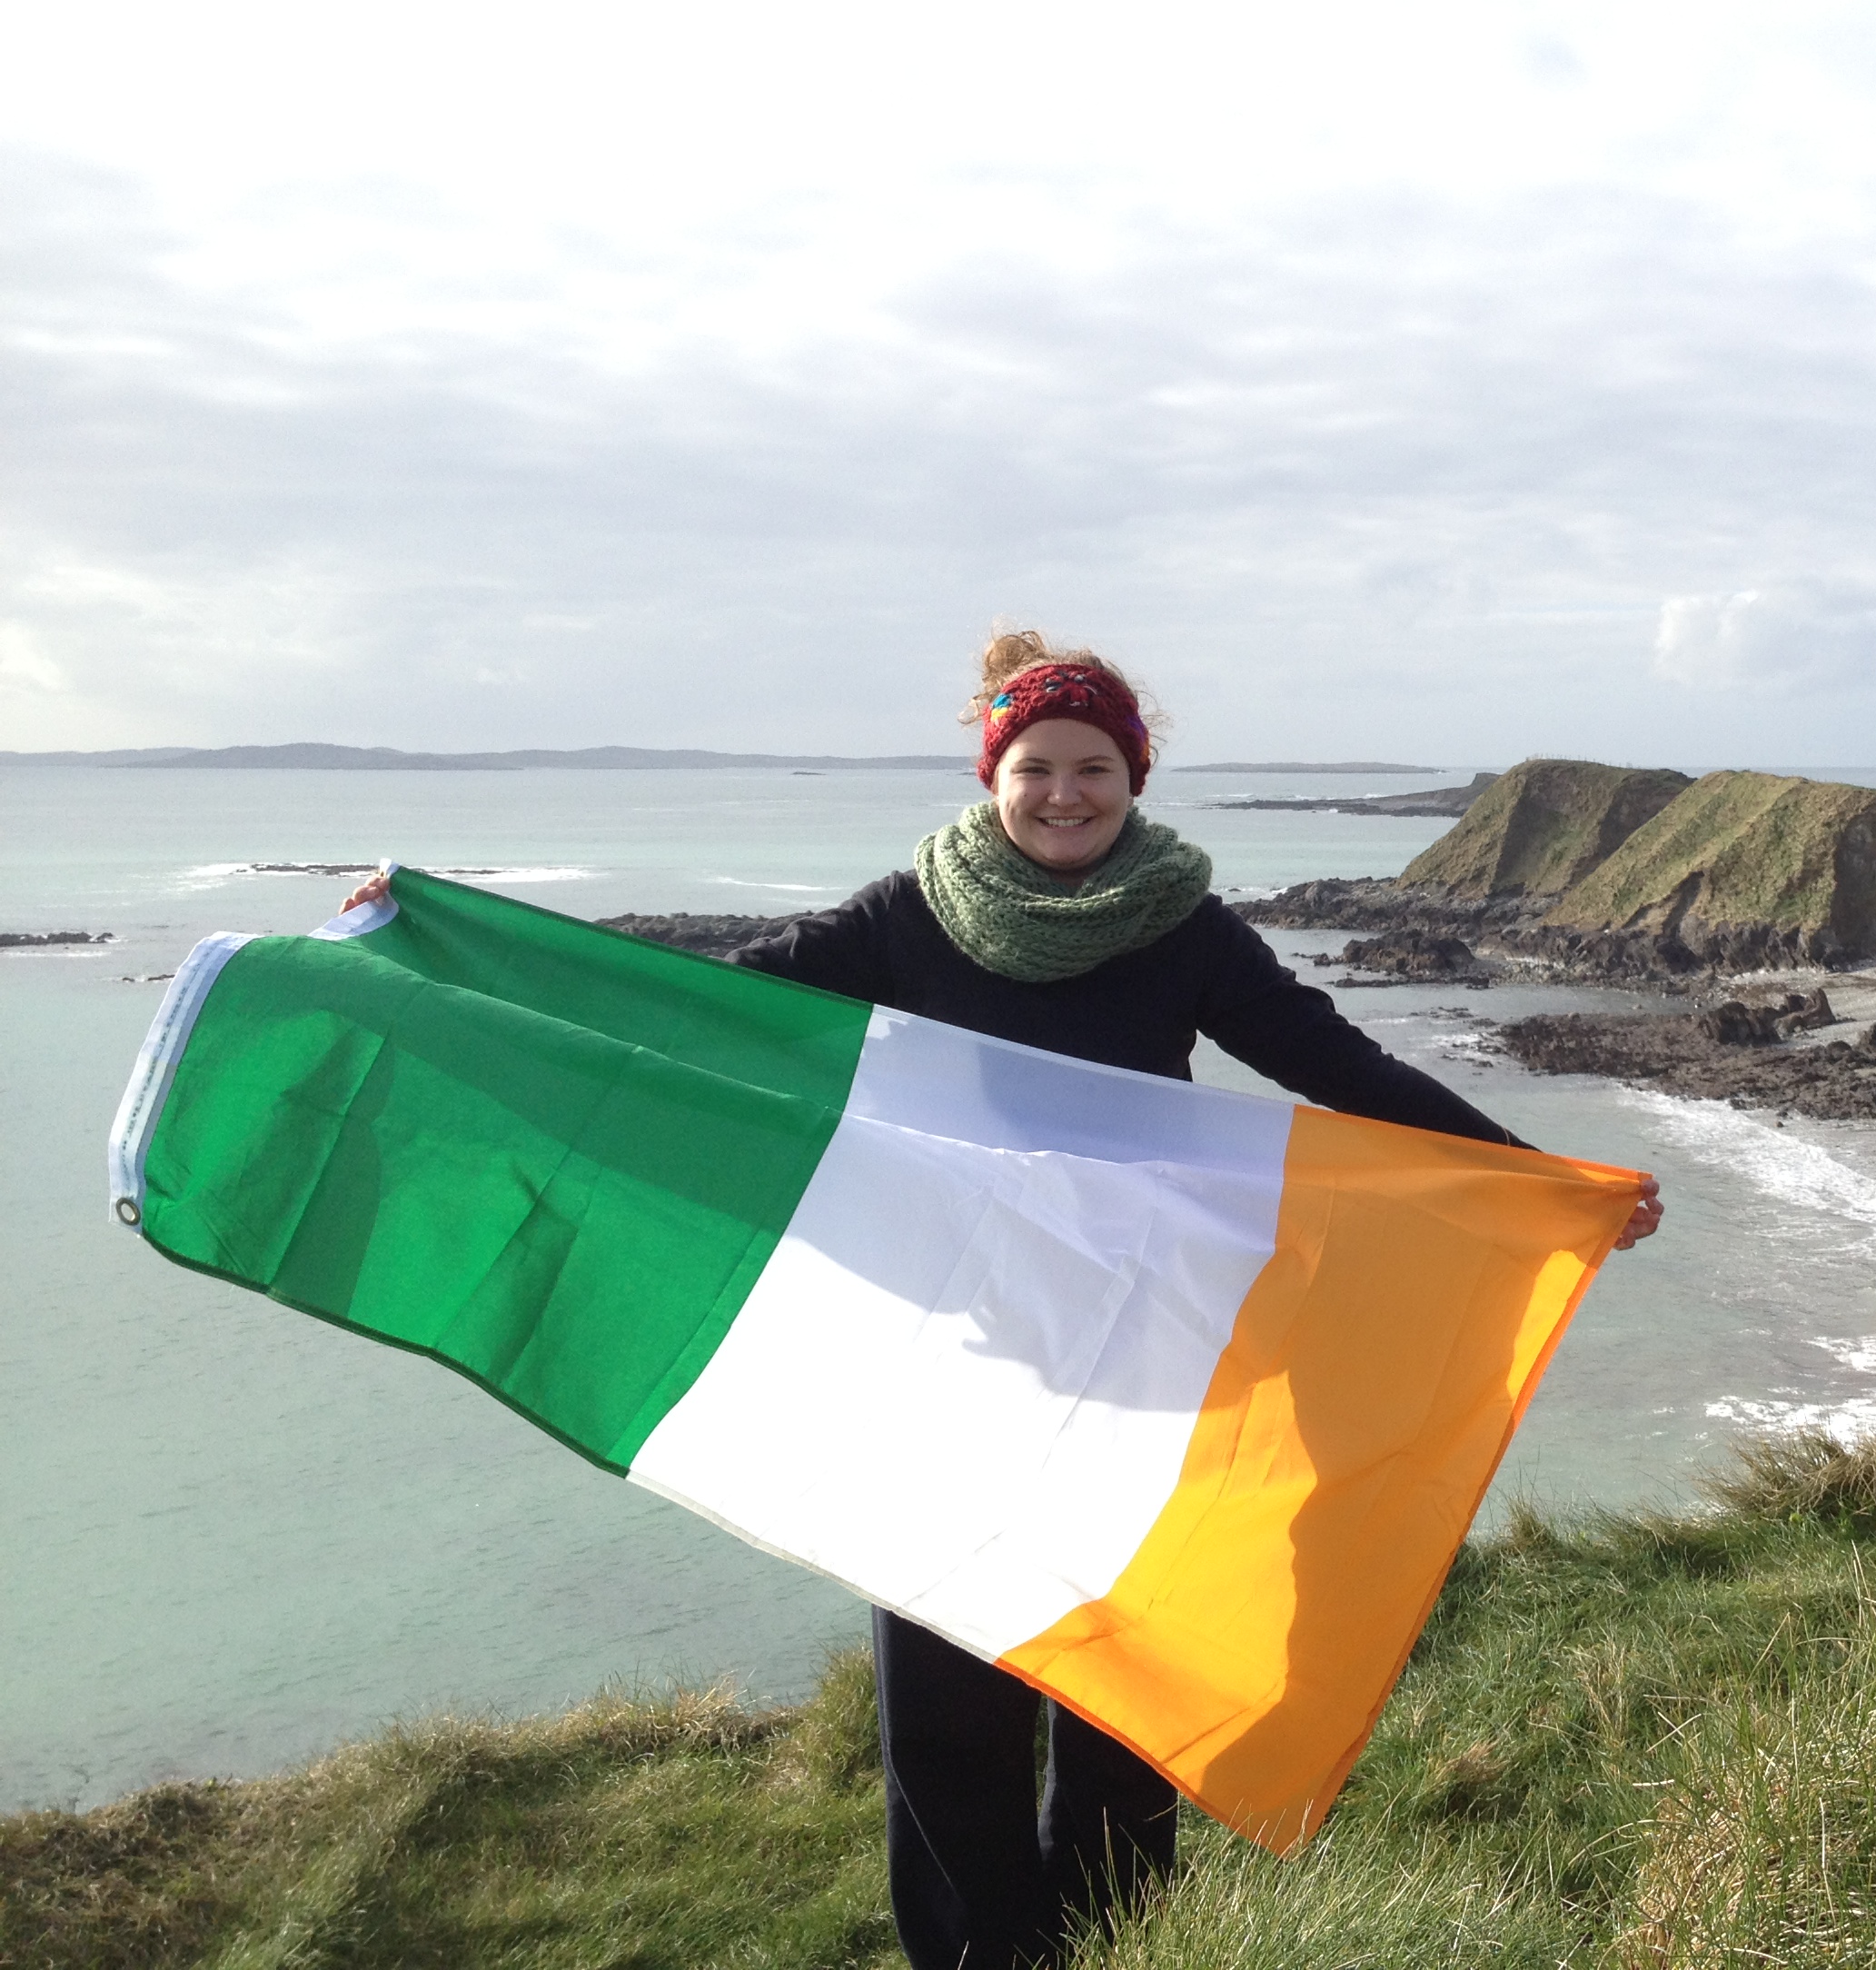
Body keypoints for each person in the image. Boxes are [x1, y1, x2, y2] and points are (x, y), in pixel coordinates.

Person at [358, 632, 1657, 1968]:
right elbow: (699, 1009)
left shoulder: (1186, 928)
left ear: (1133, 776)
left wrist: (1541, 1178)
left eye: (1093, 767)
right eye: (1036, 767)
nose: (1064, 794)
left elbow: (1336, 1062)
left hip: (1144, 1355)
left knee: (1125, 1681)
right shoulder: (905, 917)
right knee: (942, 1690)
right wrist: (445, 943)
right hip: (959, 1355)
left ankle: (1111, 1945)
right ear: (995, 773)